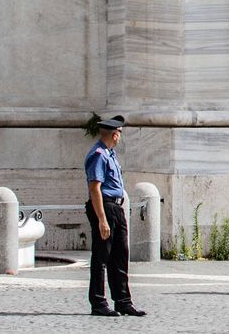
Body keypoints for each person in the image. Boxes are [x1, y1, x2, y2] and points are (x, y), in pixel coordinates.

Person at [84, 116, 145, 317]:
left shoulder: (110, 154)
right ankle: (99, 303)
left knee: (120, 255)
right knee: (102, 257)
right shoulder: (99, 155)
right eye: (119, 132)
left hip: (117, 208)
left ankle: (123, 301)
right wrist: (101, 219)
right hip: (105, 208)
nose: (119, 136)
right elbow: (95, 188)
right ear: (114, 134)